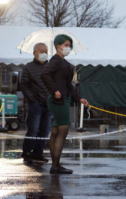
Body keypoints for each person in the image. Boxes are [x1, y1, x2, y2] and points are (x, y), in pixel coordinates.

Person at [42, 34, 89, 174]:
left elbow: (69, 85)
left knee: (56, 131)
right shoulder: (55, 60)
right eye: (65, 45)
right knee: (62, 130)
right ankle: (55, 165)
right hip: (58, 100)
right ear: (57, 46)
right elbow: (45, 75)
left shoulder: (65, 63)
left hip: (64, 98)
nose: (67, 47)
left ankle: (55, 165)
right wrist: (54, 90)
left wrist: (79, 98)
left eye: (69, 45)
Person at [21, 43, 51, 163]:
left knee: (45, 129)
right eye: (41, 51)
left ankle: (38, 153)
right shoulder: (28, 67)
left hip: (49, 103)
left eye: (46, 51)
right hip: (35, 103)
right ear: (34, 52)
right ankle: (27, 152)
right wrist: (32, 98)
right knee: (33, 128)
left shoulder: (51, 67)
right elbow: (24, 84)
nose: (44, 53)